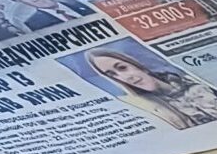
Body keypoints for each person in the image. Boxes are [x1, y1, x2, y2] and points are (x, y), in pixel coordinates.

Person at [86, 49, 217, 129]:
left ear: (136, 64)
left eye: (122, 68)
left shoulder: (191, 79)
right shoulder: (148, 108)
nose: (126, 77)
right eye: (113, 75)